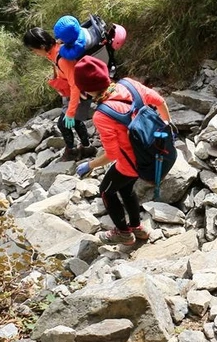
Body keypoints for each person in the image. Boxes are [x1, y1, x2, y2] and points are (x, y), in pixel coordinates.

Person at [71, 55, 173, 246]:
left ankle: (123, 233)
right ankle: (137, 227)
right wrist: (167, 126)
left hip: (131, 163)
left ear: (85, 89)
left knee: (106, 191)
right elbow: (159, 101)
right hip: (150, 153)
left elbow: (112, 155)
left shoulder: (102, 115)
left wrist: (90, 165)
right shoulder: (129, 84)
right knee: (126, 189)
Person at [22, 26, 96, 161]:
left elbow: (76, 86)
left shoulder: (62, 58)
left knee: (63, 124)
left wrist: (70, 111)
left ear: (43, 46)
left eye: (34, 49)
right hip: (71, 94)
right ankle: (87, 148)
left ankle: (72, 151)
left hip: (79, 94)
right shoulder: (55, 50)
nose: (34, 53)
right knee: (76, 122)